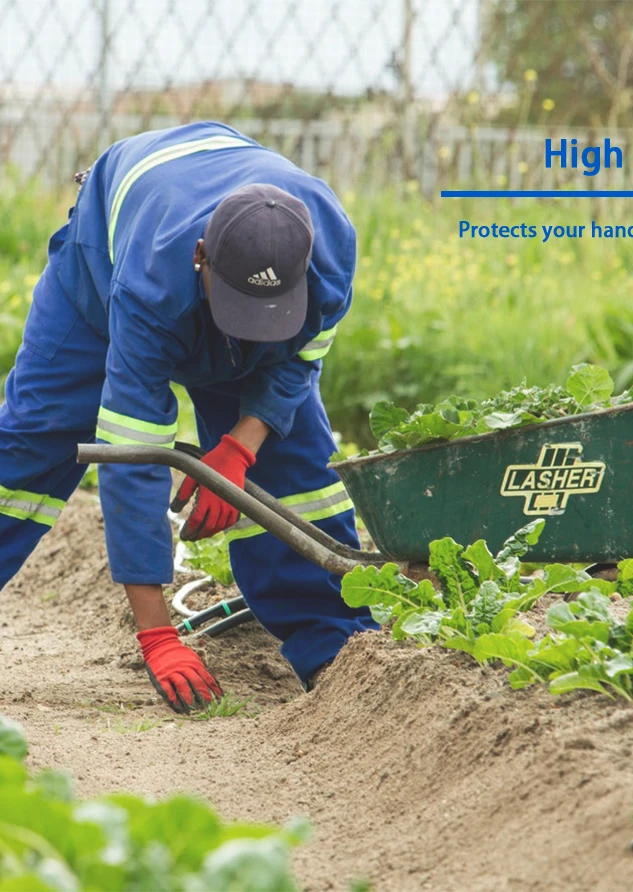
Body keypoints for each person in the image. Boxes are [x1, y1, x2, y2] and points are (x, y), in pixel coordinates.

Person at [0, 121, 376, 712]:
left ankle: (337, 648)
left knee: (293, 476)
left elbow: (300, 358)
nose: (248, 331)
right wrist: (156, 633)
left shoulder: (329, 250)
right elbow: (135, 456)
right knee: (32, 441)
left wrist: (241, 448)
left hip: (217, 246)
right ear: (201, 259)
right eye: (238, 311)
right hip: (102, 266)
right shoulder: (152, 284)